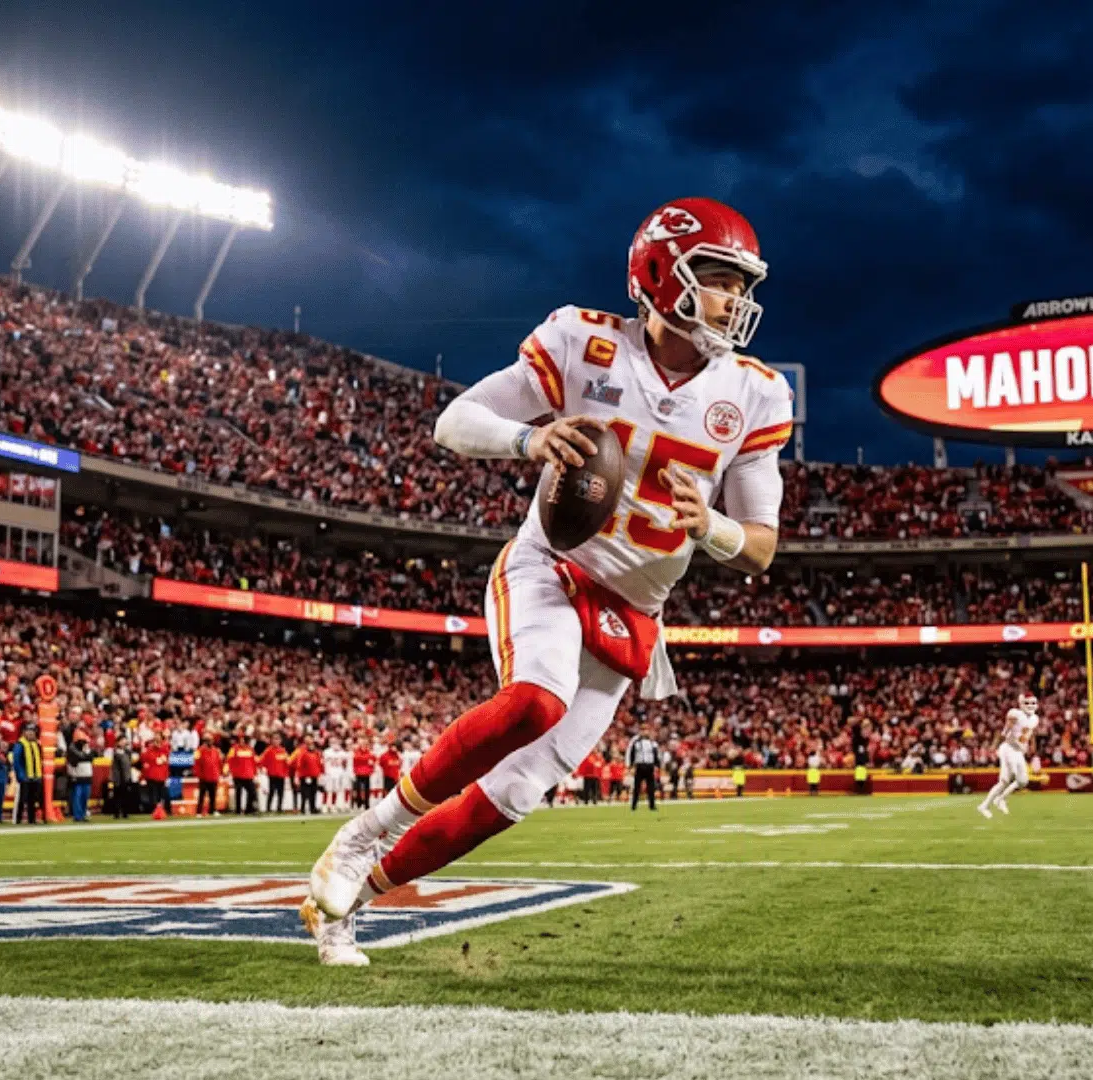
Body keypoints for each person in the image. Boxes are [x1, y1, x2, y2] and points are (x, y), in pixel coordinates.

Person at [302, 197, 788, 966]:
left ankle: (345, 906)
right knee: (535, 697)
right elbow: (454, 421)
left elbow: (760, 548)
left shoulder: (757, 393)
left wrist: (712, 528)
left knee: (513, 797)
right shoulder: (581, 341)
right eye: (719, 278)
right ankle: (364, 834)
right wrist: (529, 439)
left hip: (637, 609)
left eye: (740, 283)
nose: (736, 299)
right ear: (662, 275)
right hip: (553, 569)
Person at [980, 693, 1040, 819]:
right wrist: (994, 745)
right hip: (1008, 748)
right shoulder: (1015, 714)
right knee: (1010, 776)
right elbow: (1004, 729)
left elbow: (1029, 732)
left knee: (1022, 781)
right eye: (1026, 703)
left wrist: (1031, 744)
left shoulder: (1035, 719)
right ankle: (989, 804)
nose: (1030, 706)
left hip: (1018, 751)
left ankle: (997, 801)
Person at [12, 725, 45, 825]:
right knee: (22, 799)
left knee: (32, 800)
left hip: (35, 776)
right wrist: (21, 776)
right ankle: (18, 819)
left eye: (32, 731)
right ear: (24, 732)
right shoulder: (20, 744)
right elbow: (17, 761)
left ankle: (32, 819)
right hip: (25, 777)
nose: (31, 733)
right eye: (28, 731)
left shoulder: (37, 744)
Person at [627, 726, 660, 811]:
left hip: (649, 766)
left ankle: (652, 805)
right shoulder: (636, 743)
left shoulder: (653, 743)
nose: (644, 732)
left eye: (646, 730)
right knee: (637, 787)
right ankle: (634, 805)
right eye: (643, 730)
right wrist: (631, 766)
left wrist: (657, 765)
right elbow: (632, 754)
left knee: (651, 787)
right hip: (640, 765)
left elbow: (655, 755)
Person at [228, 733, 259, 815]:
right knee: (238, 793)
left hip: (248, 775)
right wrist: (230, 771)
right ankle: (238, 810)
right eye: (241, 740)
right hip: (237, 775)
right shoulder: (234, 749)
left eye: (243, 740)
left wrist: (255, 773)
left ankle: (248, 809)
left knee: (252, 792)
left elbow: (254, 762)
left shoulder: (250, 749)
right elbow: (229, 760)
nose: (242, 741)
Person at [66, 730, 94, 822]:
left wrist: (86, 752)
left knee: (85, 797)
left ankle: (82, 814)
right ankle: (78, 816)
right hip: (77, 777)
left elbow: (90, 757)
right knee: (77, 797)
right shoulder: (72, 750)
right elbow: (77, 759)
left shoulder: (87, 750)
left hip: (87, 776)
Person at [193, 734, 223, 816]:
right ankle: (199, 811)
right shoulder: (199, 751)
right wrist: (199, 775)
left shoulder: (216, 751)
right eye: (208, 740)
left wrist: (219, 773)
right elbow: (196, 764)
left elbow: (219, 762)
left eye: (211, 740)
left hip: (213, 776)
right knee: (201, 795)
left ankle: (213, 810)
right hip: (204, 777)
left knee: (213, 795)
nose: (210, 742)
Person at [141, 737, 171, 814]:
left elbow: (165, 764)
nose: (158, 744)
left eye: (159, 742)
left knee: (161, 795)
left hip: (161, 777)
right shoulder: (149, 751)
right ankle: (155, 810)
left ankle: (161, 810)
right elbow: (155, 761)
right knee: (154, 795)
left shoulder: (164, 751)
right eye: (156, 742)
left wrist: (166, 776)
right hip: (152, 777)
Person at [109, 735, 135, 820]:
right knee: (118, 796)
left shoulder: (127, 752)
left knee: (125, 796)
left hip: (126, 776)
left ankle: (125, 812)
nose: (124, 742)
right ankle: (116, 813)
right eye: (123, 740)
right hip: (119, 778)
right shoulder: (116, 752)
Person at [292, 740, 321, 815]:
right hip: (305, 776)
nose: (311, 746)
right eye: (310, 745)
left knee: (313, 793)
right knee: (304, 794)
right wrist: (298, 776)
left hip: (314, 776)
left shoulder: (316, 753)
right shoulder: (303, 754)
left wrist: (319, 774)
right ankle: (303, 808)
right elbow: (299, 765)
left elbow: (318, 764)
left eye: (312, 745)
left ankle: (313, 808)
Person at [262, 738, 290, 813]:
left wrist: (286, 773)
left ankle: (279, 808)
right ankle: (268, 808)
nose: (276, 741)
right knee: (272, 792)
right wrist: (265, 769)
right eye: (274, 739)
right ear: (272, 741)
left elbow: (287, 762)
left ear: (280, 741)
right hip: (272, 774)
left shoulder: (283, 751)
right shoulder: (268, 750)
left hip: (281, 775)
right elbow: (263, 760)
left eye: (277, 739)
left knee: (280, 792)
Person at [350, 741, 375, 810]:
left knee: (367, 790)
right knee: (357, 790)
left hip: (367, 774)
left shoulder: (369, 753)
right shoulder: (358, 753)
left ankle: (367, 805)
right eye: (362, 745)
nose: (363, 746)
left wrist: (371, 771)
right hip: (358, 774)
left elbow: (372, 763)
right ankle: (359, 804)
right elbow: (355, 760)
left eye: (365, 745)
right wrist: (366, 759)